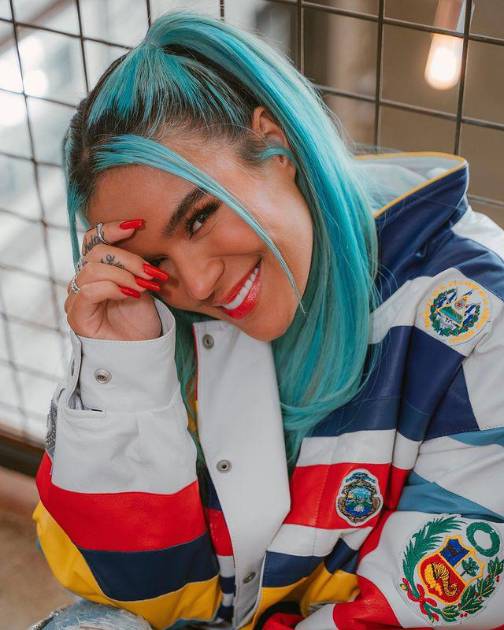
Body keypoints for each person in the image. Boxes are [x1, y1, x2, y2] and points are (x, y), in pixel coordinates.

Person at [30, 8, 504, 630]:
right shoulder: (171, 318)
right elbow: (147, 594)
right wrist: (122, 370)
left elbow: (423, 608)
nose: (198, 283)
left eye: (200, 217)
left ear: (275, 144)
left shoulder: (481, 315)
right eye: (155, 263)